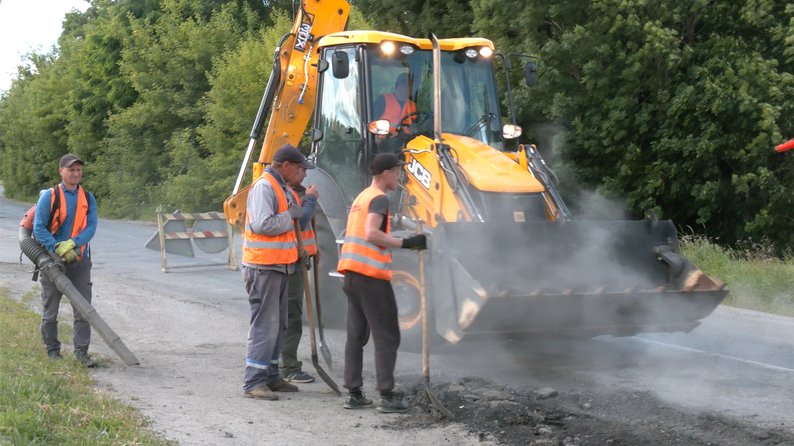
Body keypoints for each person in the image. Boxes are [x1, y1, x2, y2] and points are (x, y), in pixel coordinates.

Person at [337, 153, 428, 413]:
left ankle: (354, 393)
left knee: (356, 335)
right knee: (387, 334)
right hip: (370, 276)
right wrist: (407, 243)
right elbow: (371, 233)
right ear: (386, 173)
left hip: (352, 274)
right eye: (397, 172)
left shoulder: (361, 197)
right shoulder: (379, 198)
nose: (399, 177)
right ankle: (387, 396)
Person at [241, 144, 315, 401]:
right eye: (300, 169)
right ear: (286, 165)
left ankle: (271, 376)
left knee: (278, 325)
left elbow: (289, 227)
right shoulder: (264, 187)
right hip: (263, 267)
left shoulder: (281, 188)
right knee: (265, 325)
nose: (303, 175)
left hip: (280, 266)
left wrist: (298, 250)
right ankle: (254, 382)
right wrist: (290, 215)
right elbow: (262, 224)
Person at [32, 153, 99, 367]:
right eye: (71, 169)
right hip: (52, 262)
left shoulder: (88, 198)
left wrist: (74, 243)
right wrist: (56, 247)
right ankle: (53, 350)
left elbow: (91, 227)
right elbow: (39, 227)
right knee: (50, 308)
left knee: (83, 309)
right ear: (61, 171)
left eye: (79, 170)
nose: (76, 173)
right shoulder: (49, 196)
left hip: (79, 260)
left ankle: (82, 353)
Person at [279, 179, 320, 384]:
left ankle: (283, 364)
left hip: (298, 260)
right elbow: (301, 222)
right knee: (291, 315)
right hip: (290, 263)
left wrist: (314, 249)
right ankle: (287, 366)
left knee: (291, 315)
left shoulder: (295, 193)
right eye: (301, 169)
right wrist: (311, 200)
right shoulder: (288, 195)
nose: (304, 173)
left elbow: (305, 230)